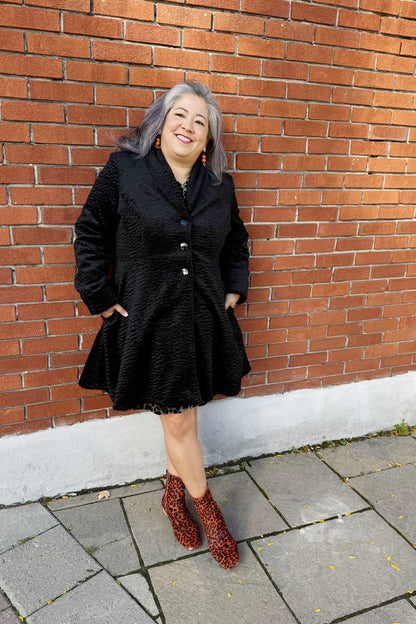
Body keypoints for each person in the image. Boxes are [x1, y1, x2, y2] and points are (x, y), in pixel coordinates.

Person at [74, 81, 250, 570]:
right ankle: (208, 511)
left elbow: (236, 238)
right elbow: (89, 229)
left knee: (184, 415)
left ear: (208, 140)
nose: (189, 127)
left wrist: (234, 285)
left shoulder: (219, 186)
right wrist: (99, 293)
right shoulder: (124, 171)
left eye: (201, 122)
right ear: (160, 125)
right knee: (179, 419)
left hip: (202, 317)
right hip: (148, 319)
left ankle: (173, 498)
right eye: (181, 115)